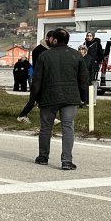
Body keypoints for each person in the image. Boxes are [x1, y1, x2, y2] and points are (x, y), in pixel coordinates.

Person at [30, 28, 88, 171]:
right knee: (68, 127)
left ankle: (43, 157)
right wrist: (83, 99)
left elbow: (37, 80)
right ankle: (67, 161)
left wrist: (34, 98)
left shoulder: (44, 56)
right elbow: (83, 80)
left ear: (54, 40)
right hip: (70, 97)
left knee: (46, 128)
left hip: (48, 97)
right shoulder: (76, 55)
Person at [17, 31, 55, 122]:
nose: (54, 41)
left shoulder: (50, 49)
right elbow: (39, 65)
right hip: (39, 77)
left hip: (47, 78)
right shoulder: (39, 50)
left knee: (47, 98)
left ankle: (50, 117)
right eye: (53, 39)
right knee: (34, 100)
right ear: (48, 38)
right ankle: (22, 116)